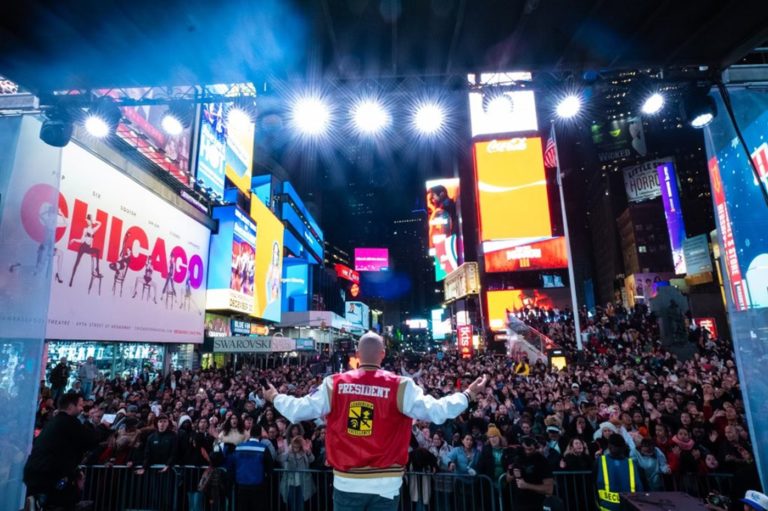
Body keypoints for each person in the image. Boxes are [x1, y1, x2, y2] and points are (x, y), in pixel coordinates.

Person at [265, 332, 488, 511]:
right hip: (387, 485)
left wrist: (274, 396)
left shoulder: (334, 384)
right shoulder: (401, 386)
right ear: (383, 354)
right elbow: (438, 411)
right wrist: (467, 395)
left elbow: (297, 410)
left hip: (346, 483)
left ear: (357, 354)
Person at [23, 393, 98, 510]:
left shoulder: (54, 422)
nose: (82, 408)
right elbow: (91, 440)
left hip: (38, 474)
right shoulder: (68, 422)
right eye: (80, 405)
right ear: (70, 407)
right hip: (49, 477)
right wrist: (101, 426)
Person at [595, 433, 644, 511]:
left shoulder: (600, 461)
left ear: (609, 446)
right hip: (628, 506)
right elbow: (640, 487)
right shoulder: (632, 463)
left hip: (609, 507)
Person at [226, 434, 274, 511]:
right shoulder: (263, 448)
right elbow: (270, 467)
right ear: (259, 436)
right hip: (257, 485)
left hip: (241, 485)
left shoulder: (239, 447)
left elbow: (231, 464)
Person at [507, 436, 555, 511]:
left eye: (530, 449)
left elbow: (549, 489)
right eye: (525, 448)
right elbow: (508, 479)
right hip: (518, 504)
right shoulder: (517, 458)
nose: (527, 451)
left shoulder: (542, 461)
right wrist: (511, 471)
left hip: (536, 505)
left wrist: (526, 485)